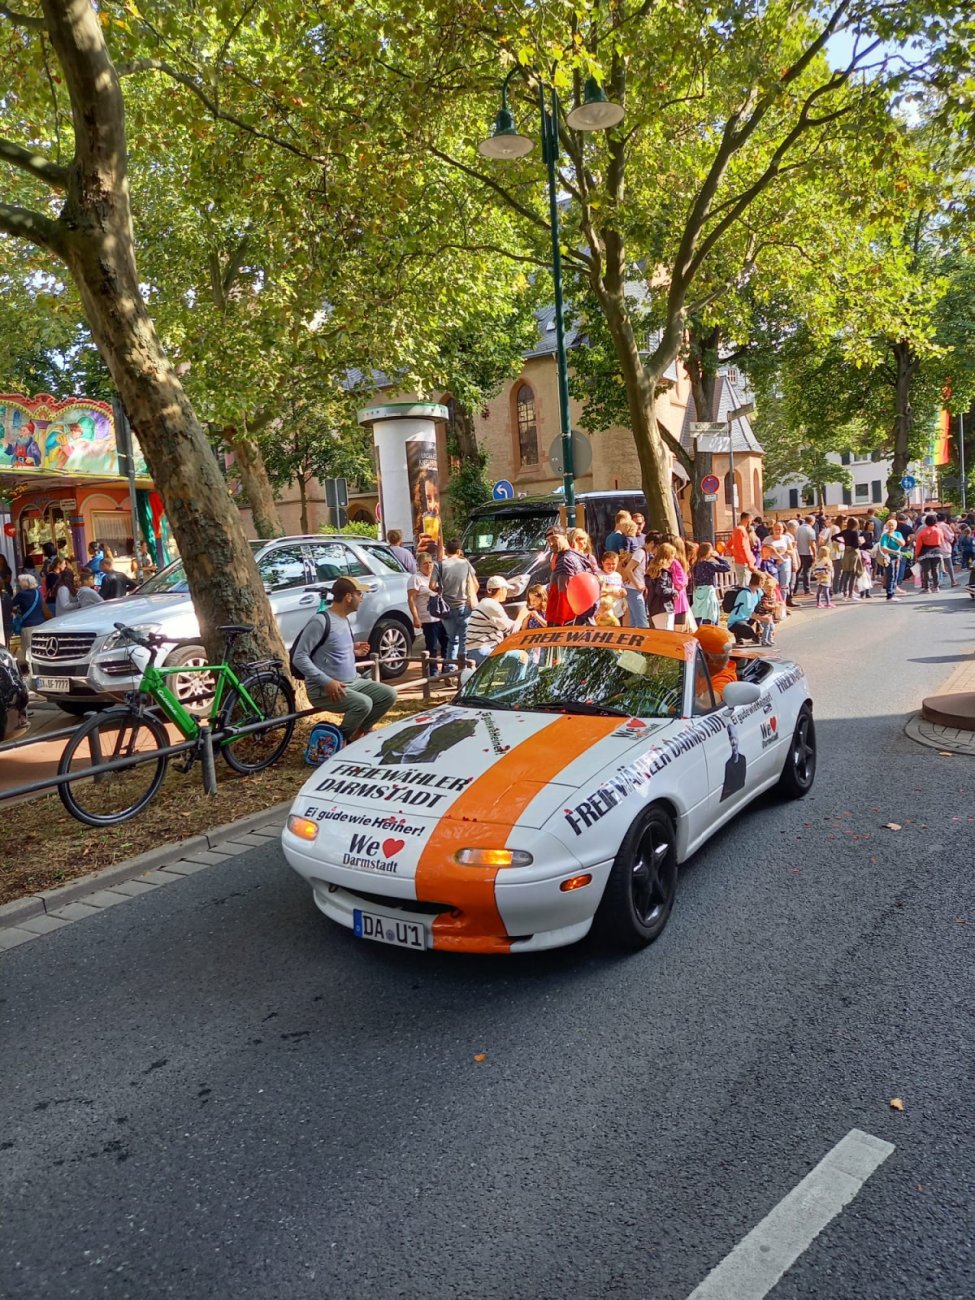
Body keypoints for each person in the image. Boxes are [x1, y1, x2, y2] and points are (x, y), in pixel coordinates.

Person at [291, 576, 397, 743]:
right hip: (323, 688)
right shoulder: (320, 621)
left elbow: (331, 647)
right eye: (359, 594)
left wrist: (353, 649)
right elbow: (299, 657)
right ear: (348, 597)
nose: (362, 599)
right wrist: (327, 682)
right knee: (363, 704)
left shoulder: (344, 619)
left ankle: (357, 735)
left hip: (352, 682)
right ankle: (337, 741)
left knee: (389, 694)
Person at [438, 538, 477, 666]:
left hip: (446, 608)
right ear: (459, 551)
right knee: (464, 640)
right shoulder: (465, 563)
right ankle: (462, 669)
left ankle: (449, 668)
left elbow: (432, 585)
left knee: (452, 640)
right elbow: (474, 583)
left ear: (446, 551)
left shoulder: (440, 565)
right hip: (464, 606)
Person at [465, 575, 515, 665]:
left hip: (475, 650)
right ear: (501, 589)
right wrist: (523, 614)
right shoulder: (492, 605)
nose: (507, 592)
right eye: (506, 589)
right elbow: (510, 629)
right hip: (481, 649)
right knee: (521, 658)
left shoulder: (485, 603)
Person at [415, 551, 448, 675]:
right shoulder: (416, 579)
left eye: (430, 563)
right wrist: (415, 617)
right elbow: (411, 599)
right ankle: (433, 671)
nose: (428, 565)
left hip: (442, 616)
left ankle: (446, 669)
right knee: (432, 646)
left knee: (446, 643)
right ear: (419, 566)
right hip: (428, 617)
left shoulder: (436, 577)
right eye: (425, 563)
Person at [11, 573, 49, 663]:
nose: (19, 584)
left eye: (20, 582)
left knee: (28, 650)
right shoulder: (37, 593)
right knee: (40, 648)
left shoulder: (21, 594)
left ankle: (30, 669)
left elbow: (11, 604)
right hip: (40, 624)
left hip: (28, 625)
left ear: (25, 583)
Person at [694, 624, 736, 703]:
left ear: (707, 658)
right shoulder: (700, 669)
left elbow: (707, 705)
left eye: (694, 652)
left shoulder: (723, 679)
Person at [617, 521, 648, 627]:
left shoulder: (627, 539)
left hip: (631, 581)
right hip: (635, 584)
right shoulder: (637, 541)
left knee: (637, 619)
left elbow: (624, 553)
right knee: (637, 618)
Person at [690, 542, 730, 625]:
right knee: (709, 612)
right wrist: (717, 557)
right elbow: (727, 567)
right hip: (708, 591)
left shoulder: (695, 565)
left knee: (698, 612)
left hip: (698, 591)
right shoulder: (708, 565)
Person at [645, 542, 677, 631]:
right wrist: (674, 592)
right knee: (667, 634)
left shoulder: (652, 571)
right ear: (668, 556)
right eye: (673, 556)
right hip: (664, 607)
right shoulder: (663, 572)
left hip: (654, 608)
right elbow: (661, 589)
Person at [726, 573, 763, 643]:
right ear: (759, 582)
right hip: (737, 620)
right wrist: (762, 619)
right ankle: (738, 634)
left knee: (761, 618)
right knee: (748, 632)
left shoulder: (758, 592)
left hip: (748, 619)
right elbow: (748, 612)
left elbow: (760, 605)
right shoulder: (745, 593)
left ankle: (756, 634)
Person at [914, 512, 946, 593]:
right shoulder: (939, 531)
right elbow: (942, 541)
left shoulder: (922, 532)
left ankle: (927, 588)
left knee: (926, 570)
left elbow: (918, 545)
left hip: (925, 552)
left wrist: (916, 554)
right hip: (937, 551)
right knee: (935, 569)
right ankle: (936, 587)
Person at [837, 516, 864, 601]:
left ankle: (845, 593)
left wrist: (843, 543)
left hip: (846, 553)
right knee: (853, 574)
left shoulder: (844, 532)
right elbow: (856, 545)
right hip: (853, 553)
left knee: (846, 573)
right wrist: (861, 542)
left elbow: (834, 537)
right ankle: (851, 594)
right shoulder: (854, 532)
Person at [728, 512, 756, 585]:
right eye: (751, 520)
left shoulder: (736, 529)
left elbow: (728, 545)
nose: (751, 523)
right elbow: (743, 548)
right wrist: (749, 563)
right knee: (745, 585)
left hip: (740, 561)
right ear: (748, 519)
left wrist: (734, 554)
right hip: (744, 562)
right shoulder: (741, 530)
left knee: (743, 583)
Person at [599, 551, 627, 623]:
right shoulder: (598, 576)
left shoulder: (618, 575)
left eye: (613, 564)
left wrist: (624, 592)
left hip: (618, 612)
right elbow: (597, 592)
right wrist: (611, 592)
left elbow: (621, 588)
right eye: (608, 564)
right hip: (604, 614)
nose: (611, 566)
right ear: (602, 563)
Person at [794, 516, 817, 594]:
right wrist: (815, 554)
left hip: (798, 552)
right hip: (807, 552)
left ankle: (794, 589)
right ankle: (807, 589)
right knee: (807, 571)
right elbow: (812, 543)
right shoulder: (811, 530)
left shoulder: (798, 528)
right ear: (812, 521)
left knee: (797, 572)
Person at [936, 513, 958, 587]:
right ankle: (953, 581)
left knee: (936, 566)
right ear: (945, 519)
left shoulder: (934, 525)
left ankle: (936, 583)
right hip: (944, 547)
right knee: (949, 565)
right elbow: (949, 536)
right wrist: (952, 539)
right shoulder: (945, 526)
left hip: (935, 547)